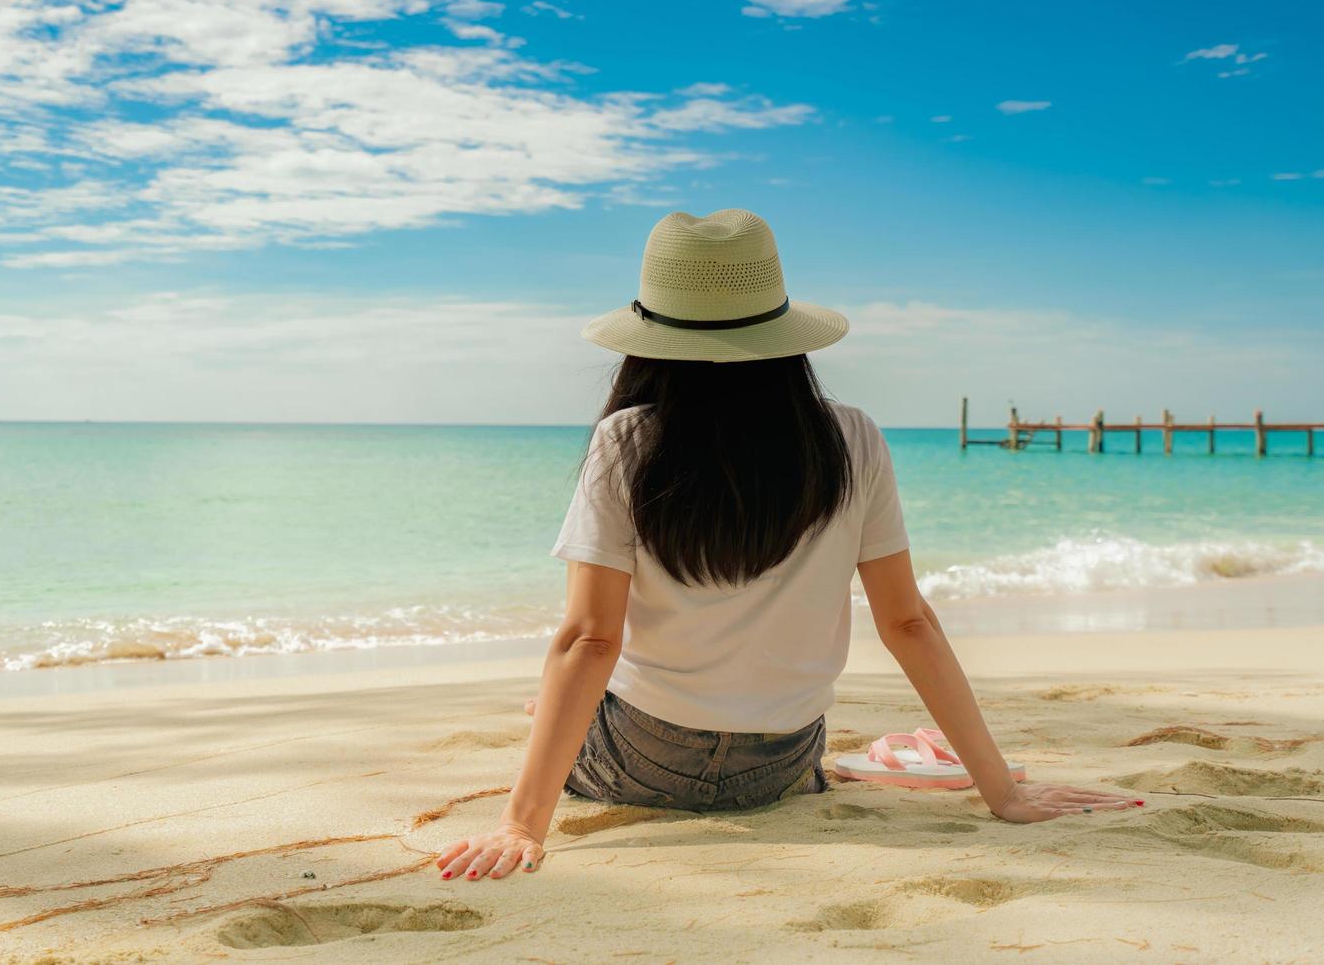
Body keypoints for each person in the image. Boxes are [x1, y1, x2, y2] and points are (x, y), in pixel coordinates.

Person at [436, 209, 1140, 883]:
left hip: (646, 758)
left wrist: (522, 826)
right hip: (779, 766)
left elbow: (591, 639)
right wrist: (1002, 794)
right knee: (579, 698)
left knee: (564, 696)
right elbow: (908, 623)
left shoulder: (627, 441)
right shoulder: (852, 437)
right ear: (781, 328)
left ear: (649, 337)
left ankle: (568, 717)